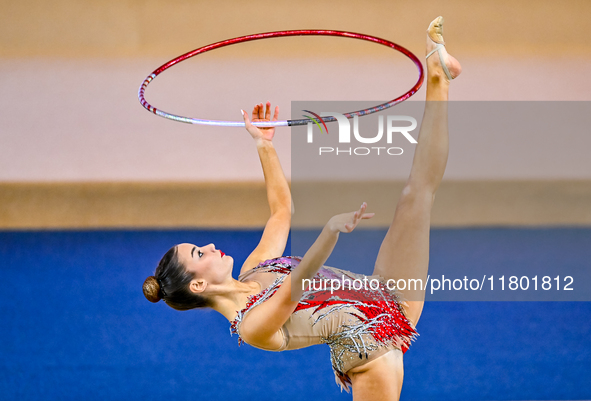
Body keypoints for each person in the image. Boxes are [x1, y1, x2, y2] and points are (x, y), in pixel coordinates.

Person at [143, 16, 461, 400]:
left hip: (385, 292)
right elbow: (297, 284)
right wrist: (329, 231)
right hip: (371, 354)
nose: (209, 246)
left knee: (416, 194)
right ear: (198, 284)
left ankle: (438, 76)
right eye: (198, 253)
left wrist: (264, 146)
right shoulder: (252, 327)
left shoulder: (255, 267)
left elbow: (281, 211)